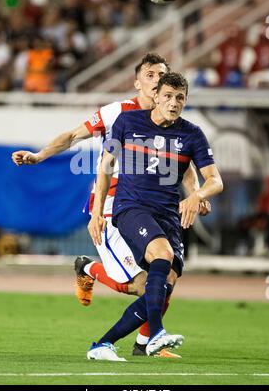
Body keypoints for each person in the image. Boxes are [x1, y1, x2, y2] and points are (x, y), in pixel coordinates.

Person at [11, 53, 210, 357]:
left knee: (164, 277)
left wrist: (196, 194)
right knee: (142, 284)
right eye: (151, 75)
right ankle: (89, 270)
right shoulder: (119, 113)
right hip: (116, 204)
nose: (157, 81)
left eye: (162, 75)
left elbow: (182, 168)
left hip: (158, 205)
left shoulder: (175, 123)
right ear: (138, 82)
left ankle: (146, 343)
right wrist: (39, 156)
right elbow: (72, 137)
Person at [87, 71, 223, 361]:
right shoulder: (127, 122)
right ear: (156, 97)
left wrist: (197, 195)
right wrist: (97, 212)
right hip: (131, 208)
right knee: (162, 255)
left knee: (163, 287)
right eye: (169, 96)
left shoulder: (192, 134)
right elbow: (105, 167)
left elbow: (215, 180)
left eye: (180, 98)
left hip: (168, 216)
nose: (174, 103)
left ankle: (102, 344)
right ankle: (156, 336)